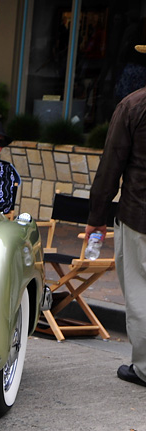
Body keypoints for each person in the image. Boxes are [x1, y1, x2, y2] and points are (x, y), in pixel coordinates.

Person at [86, 78, 146, 388]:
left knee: (140, 295)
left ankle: (145, 369)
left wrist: (97, 215)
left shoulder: (134, 105)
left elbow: (111, 164)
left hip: (139, 215)